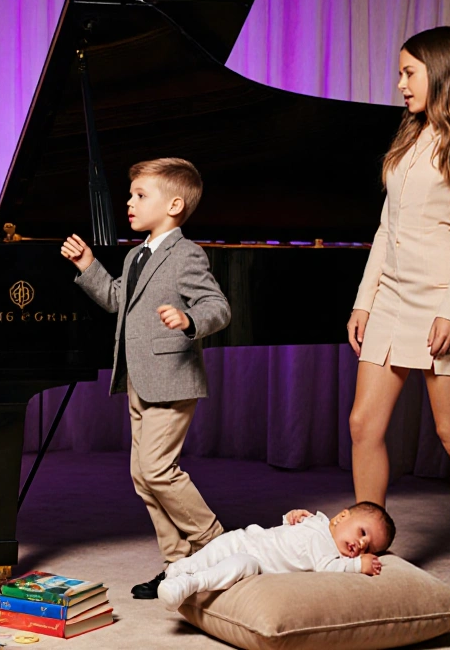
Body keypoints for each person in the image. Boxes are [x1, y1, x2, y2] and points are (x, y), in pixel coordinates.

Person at [345, 26, 450, 628]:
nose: (400, 84)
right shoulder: (406, 140)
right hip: (389, 298)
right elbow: (385, 230)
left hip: (442, 297)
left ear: (442, 72)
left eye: (409, 72)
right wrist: (364, 301)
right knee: (364, 423)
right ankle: (367, 550)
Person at [60, 158, 231, 600]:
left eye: (140, 195)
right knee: (142, 475)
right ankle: (177, 564)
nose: (129, 202)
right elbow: (119, 299)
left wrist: (189, 319)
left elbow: (218, 306)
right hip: (139, 378)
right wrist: (89, 266)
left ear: (174, 205)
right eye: (131, 194)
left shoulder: (186, 254)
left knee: (157, 469)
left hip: (172, 377)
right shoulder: (137, 254)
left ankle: (216, 542)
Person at [156, 502, 395, 611]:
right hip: (247, 538)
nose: (361, 544)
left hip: (257, 564)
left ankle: (189, 584)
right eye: (362, 533)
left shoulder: (334, 557)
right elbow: (286, 533)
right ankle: (178, 571)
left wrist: (356, 565)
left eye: (368, 548)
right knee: (213, 551)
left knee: (238, 565)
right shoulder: (316, 521)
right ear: (342, 517)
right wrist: (290, 516)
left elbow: (327, 569)